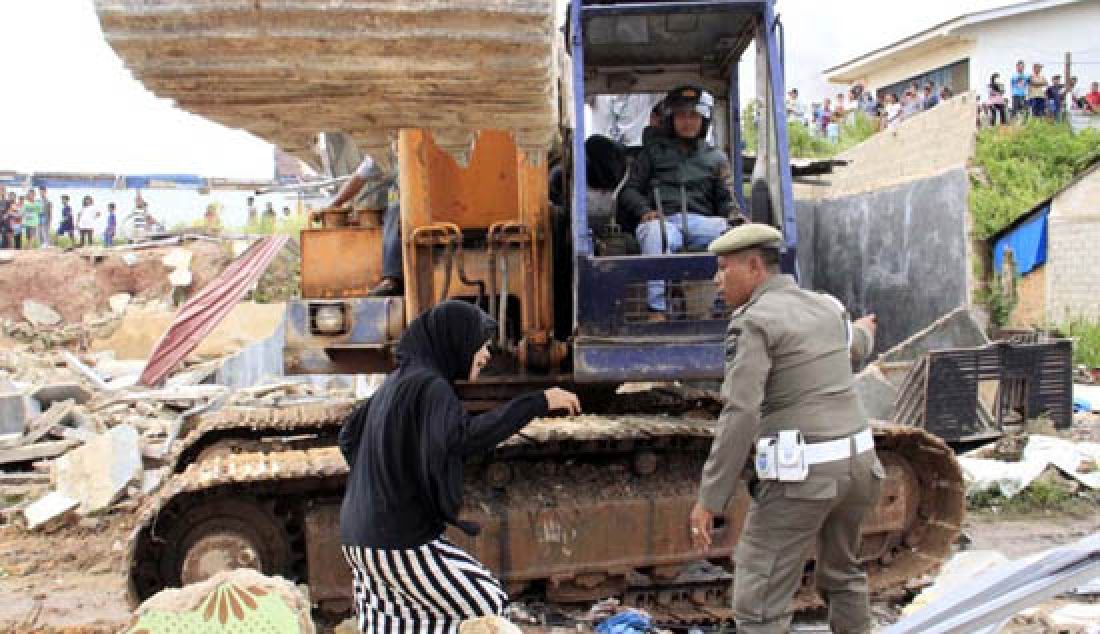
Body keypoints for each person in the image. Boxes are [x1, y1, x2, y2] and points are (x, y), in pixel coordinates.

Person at [338, 300, 581, 634]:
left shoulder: (395, 383)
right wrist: (538, 401)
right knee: (486, 603)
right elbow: (464, 438)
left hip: (357, 536)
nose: (485, 356)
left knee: (395, 623)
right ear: (455, 341)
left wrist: (384, 479)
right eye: (479, 345)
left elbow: (348, 437)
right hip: (398, 540)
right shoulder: (430, 386)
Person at [689, 223, 883, 634]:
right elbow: (852, 346)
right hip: (859, 465)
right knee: (844, 575)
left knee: (759, 599)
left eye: (724, 269)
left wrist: (711, 498)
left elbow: (741, 412)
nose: (716, 280)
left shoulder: (754, 323)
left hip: (803, 476)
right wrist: (865, 330)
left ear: (754, 267)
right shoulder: (825, 306)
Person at [618, 85, 739, 317]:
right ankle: (658, 310)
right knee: (655, 235)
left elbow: (726, 200)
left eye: (694, 115)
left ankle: (726, 307)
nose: (687, 121)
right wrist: (645, 211)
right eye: (681, 115)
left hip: (701, 223)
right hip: (664, 221)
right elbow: (629, 191)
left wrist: (736, 218)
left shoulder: (716, 158)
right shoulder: (652, 153)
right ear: (670, 119)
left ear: (704, 120)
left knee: (734, 236)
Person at [325, 153, 403, 297]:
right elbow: (360, 177)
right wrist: (334, 204)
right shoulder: (386, 150)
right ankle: (393, 277)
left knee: (396, 208)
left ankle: (392, 277)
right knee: (394, 207)